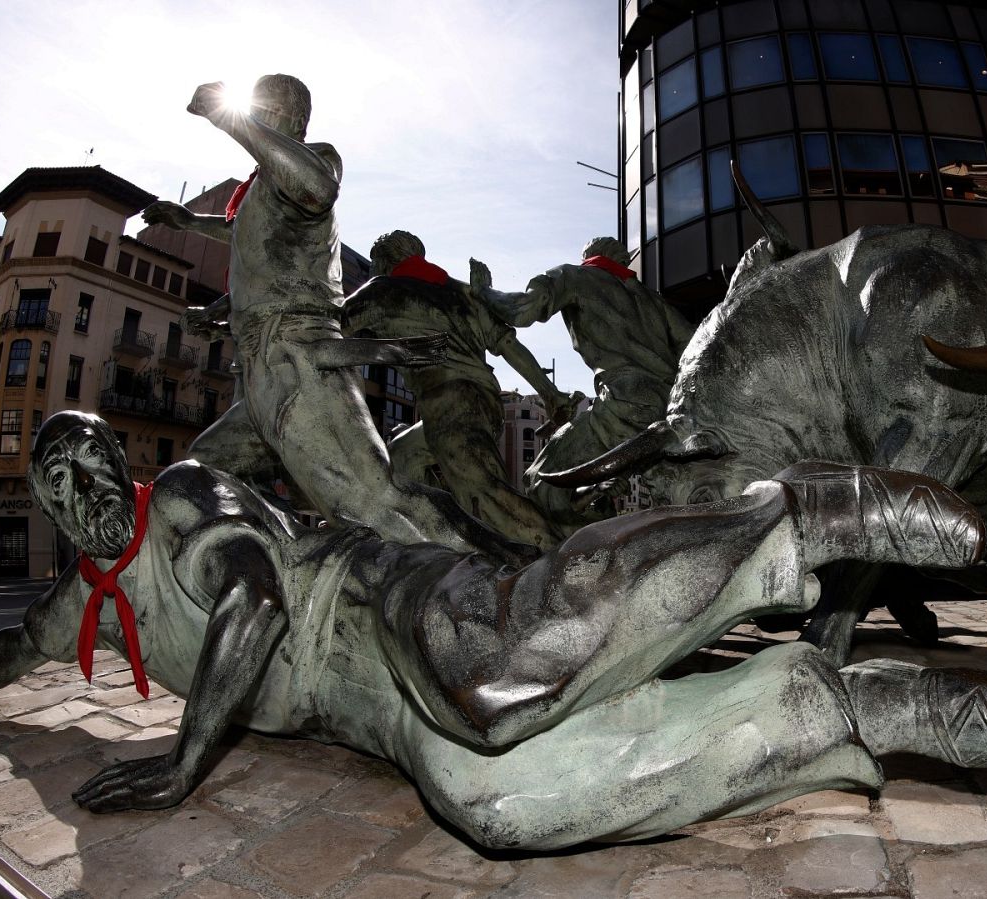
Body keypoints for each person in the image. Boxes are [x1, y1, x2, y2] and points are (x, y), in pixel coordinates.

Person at [0, 411, 987, 851]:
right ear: (43, 504)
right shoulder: (75, 599)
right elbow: (10, 652)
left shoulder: (184, 496)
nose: (86, 493)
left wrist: (190, 762)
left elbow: (251, 601)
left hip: (366, 598)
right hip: (359, 711)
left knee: (494, 676)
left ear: (120, 469)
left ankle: (797, 517)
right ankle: (846, 711)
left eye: (94, 466)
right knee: (501, 803)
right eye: (61, 483)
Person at [141, 74, 522, 563]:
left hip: (300, 358)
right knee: (202, 474)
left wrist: (230, 118)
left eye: (267, 109)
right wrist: (190, 226)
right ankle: (278, 564)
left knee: (373, 504)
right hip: (261, 365)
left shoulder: (318, 158)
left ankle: (490, 573)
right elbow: (251, 244)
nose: (259, 117)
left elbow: (317, 189)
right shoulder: (261, 190)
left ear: (294, 118)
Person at [342, 231, 569, 549]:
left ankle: (563, 555)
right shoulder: (463, 292)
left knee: (483, 491)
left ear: (383, 261)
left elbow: (332, 325)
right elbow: (509, 346)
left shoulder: (383, 291)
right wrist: (549, 392)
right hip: (485, 403)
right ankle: (438, 546)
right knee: (401, 463)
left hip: (450, 400)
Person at [472, 237, 695, 530]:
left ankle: (586, 560)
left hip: (624, 403)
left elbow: (521, 310)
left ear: (589, 256)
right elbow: (694, 346)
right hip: (670, 409)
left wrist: (484, 291)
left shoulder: (574, 276)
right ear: (623, 260)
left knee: (542, 482)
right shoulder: (652, 299)